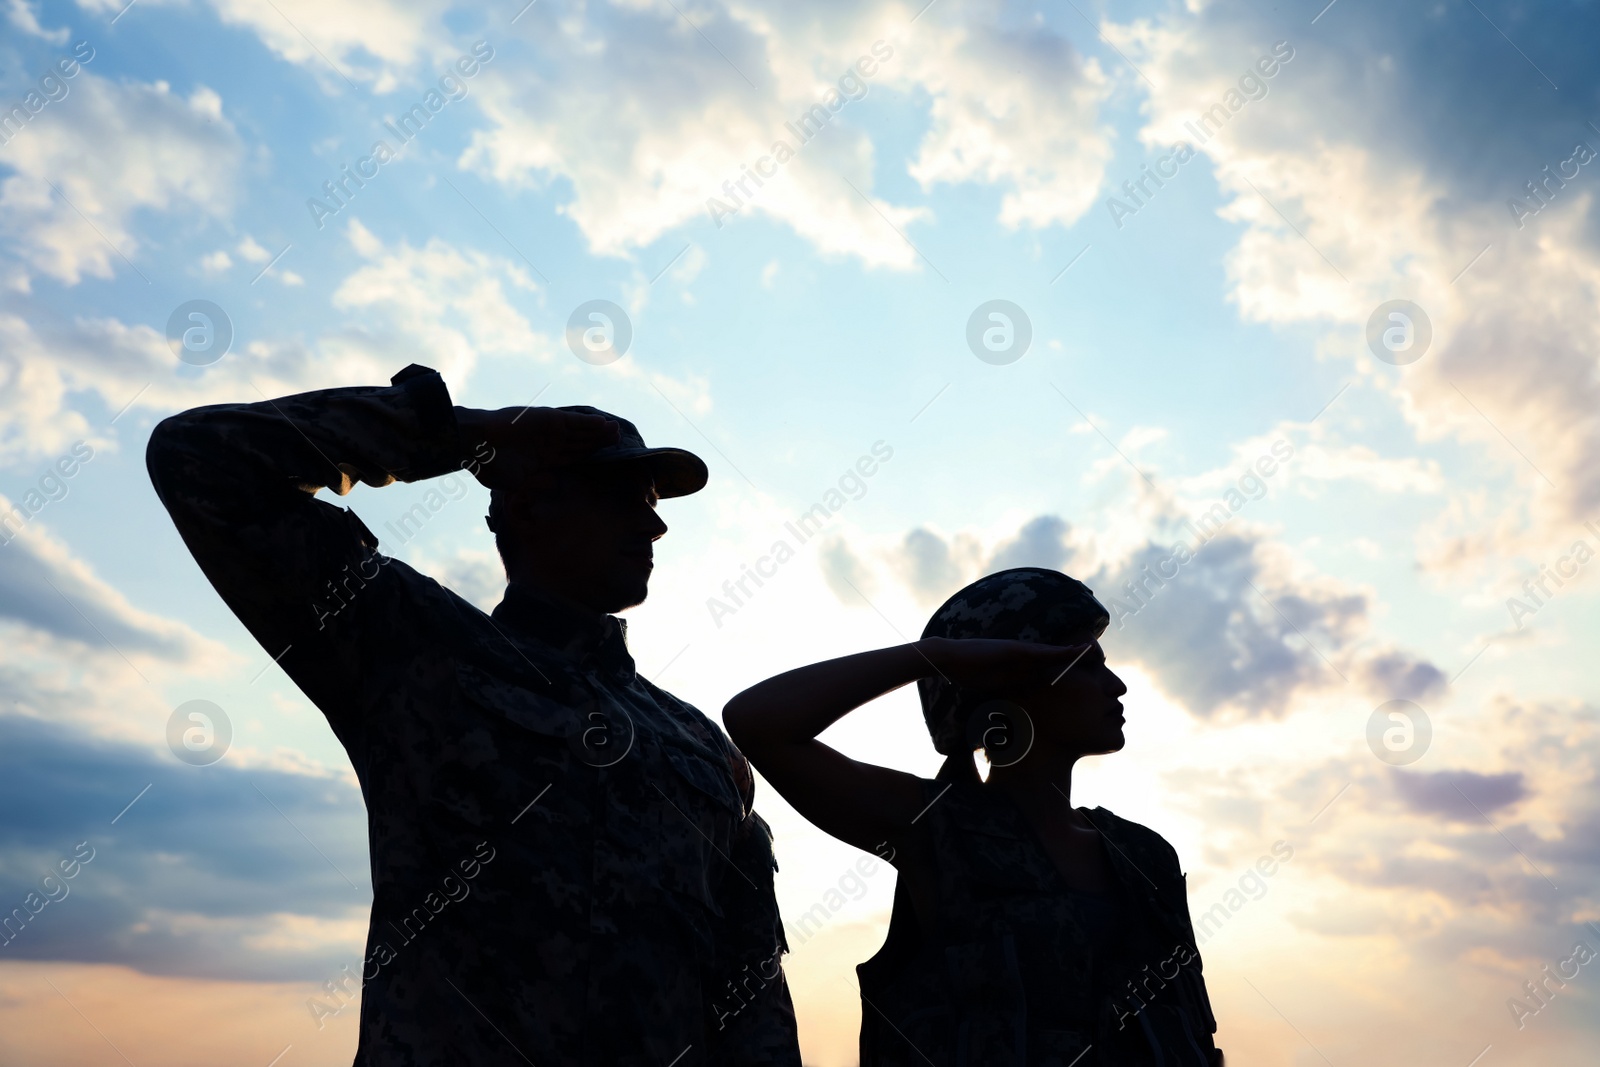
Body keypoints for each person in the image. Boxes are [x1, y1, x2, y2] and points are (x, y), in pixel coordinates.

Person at [146, 364, 801, 1066]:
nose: (654, 522)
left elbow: (751, 986)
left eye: (651, 501)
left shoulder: (698, 744)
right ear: (526, 509)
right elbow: (199, 457)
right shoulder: (413, 646)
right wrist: (469, 432)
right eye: (620, 495)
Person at [724, 567, 1224, 1066]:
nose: (1116, 685)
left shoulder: (1144, 855)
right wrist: (938, 658)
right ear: (1007, 685)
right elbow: (758, 722)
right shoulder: (933, 826)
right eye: (1085, 666)